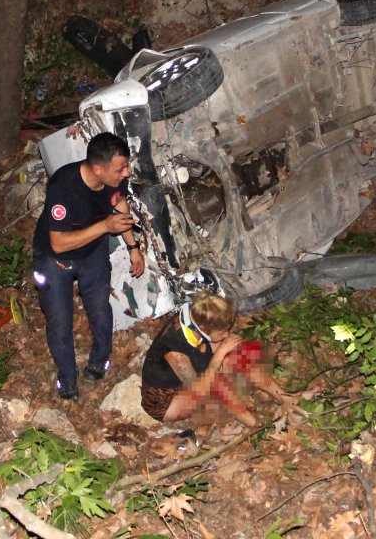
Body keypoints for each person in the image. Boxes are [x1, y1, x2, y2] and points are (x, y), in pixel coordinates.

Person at [33, 132, 145, 400]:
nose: (126, 173)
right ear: (98, 168)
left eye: (126, 166)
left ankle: (100, 360)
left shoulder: (112, 182)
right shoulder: (64, 186)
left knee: (100, 309)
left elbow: (119, 204)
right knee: (60, 321)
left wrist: (133, 248)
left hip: (92, 253)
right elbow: (59, 243)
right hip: (54, 258)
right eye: (121, 168)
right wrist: (105, 226)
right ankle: (67, 378)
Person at [140, 292, 300, 427]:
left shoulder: (196, 316)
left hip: (193, 369)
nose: (227, 334)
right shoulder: (176, 354)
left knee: (239, 353)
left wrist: (225, 349)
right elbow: (198, 389)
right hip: (169, 400)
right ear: (203, 328)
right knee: (216, 382)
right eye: (223, 331)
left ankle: (286, 397)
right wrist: (219, 356)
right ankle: (253, 422)